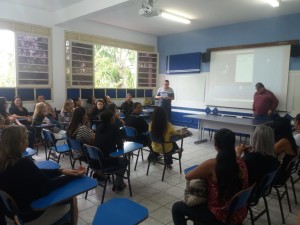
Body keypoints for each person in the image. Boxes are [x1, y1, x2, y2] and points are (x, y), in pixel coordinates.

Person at [0, 126, 86, 225]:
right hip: (32, 215)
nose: (28, 139)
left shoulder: (5, 162)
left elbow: (36, 173)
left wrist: (61, 171)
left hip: (17, 212)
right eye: (26, 137)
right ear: (19, 142)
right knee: (72, 199)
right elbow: (49, 185)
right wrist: (73, 176)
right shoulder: (23, 163)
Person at [172, 129, 248, 225]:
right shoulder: (241, 162)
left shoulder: (212, 164)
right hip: (237, 211)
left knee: (177, 208)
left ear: (216, 144)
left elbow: (188, 176)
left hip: (218, 216)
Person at [94, 110, 128, 190]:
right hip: (108, 160)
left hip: (96, 160)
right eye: (113, 116)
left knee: (114, 156)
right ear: (111, 119)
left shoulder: (98, 127)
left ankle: (101, 174)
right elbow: (120, 146)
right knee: (124, 161)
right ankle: (119, 183)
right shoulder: (114, 128)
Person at [273, 117, 298, 184]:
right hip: (285, 174)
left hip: (279, 176)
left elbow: (269, 153)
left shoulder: (284, 141)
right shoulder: (290, 138)